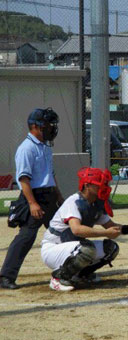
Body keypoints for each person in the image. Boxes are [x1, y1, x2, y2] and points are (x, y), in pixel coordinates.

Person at [41, 167, 128, 291]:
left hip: (70, 247)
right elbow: (76, 230)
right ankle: (58, 278)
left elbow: (111, 227)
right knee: (87, 250)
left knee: (111, 248)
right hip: (53, 248)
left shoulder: (95, 203)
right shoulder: (73, 202)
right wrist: (105, 233)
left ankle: (80, 275)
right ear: (87, 185)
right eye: (99, 184)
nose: (104, 187)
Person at [0, 108, 63, 289]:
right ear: (34, 126)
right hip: (34, 196)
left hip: (49, 195)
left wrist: (58, 195)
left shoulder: (44, 146)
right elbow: (23, 179)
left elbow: (50, 174)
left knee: (64, 231)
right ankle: (6, 276)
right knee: (26, 237)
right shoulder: (26, 148)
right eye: (47, 125)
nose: (51, 129)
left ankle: (73, 269)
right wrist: (32, 203)